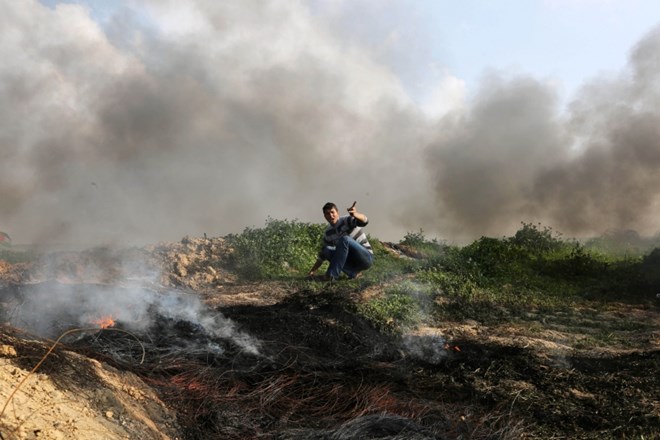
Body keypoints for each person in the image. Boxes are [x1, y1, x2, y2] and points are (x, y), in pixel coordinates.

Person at [307, 201, 374, 281]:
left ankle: (332, 275)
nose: (331, 215)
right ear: (325, 216)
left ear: (337, 212)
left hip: (365, 258)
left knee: (345, 239)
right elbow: (322, 255)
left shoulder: (346, 221)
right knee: (326, 250)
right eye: (327, 214)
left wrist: (355, 214)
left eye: (332, 212)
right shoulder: (328, 233)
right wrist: (312, 271)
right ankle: (353, 273)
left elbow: (364, 221)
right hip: (351, 261)